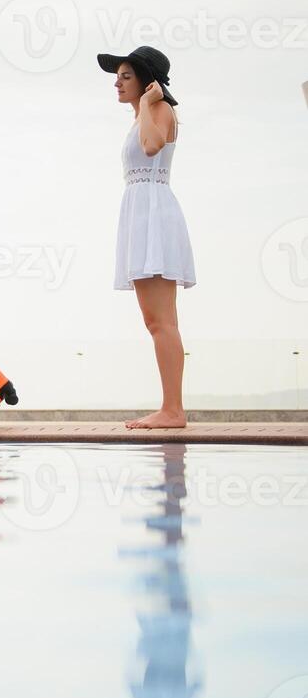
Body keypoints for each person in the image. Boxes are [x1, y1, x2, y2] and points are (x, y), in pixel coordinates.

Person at [99, 46, 196, 429]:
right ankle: (171, 407)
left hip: (153, 213)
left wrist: (151, 102)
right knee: (156, 320)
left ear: (145, 79)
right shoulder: (143, 114)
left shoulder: (159, 110)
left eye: (125, 75)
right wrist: (143, 108)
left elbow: (152, 146)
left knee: (161, 321)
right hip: (143, 212)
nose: (117, 82)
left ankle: (173, 410)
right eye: (117, 76)